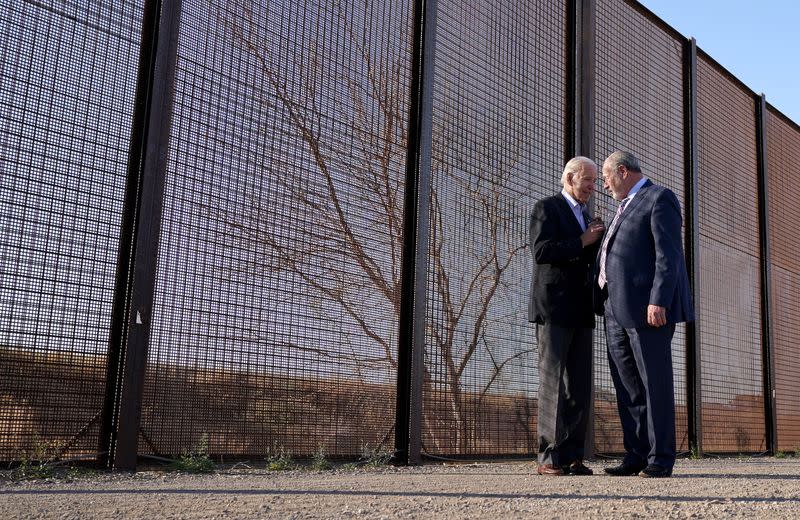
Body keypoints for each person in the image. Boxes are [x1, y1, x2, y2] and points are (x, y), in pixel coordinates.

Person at [595, 151, 694, 478]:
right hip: (614, 308)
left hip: (647, 309)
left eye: (607, 177)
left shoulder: (658, 198)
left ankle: (660, 458)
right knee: (627, 386)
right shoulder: (622, 209)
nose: (605, 185)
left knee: (654, 383)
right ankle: (636, 454)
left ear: (622, 171)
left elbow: (669, 255)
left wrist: (659, 300)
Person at [529, 156, 605, 476]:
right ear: (570, 178)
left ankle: (573, 455)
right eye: (587, 179)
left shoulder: (585, 215)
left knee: (579, 386)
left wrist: (594, 239)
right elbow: (541, 251)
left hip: (581, 309)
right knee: (553, 383)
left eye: (593, 181)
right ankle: (549, 457)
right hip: (554, 308)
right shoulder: (547, 207)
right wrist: (583, 240)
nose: (592, 186)